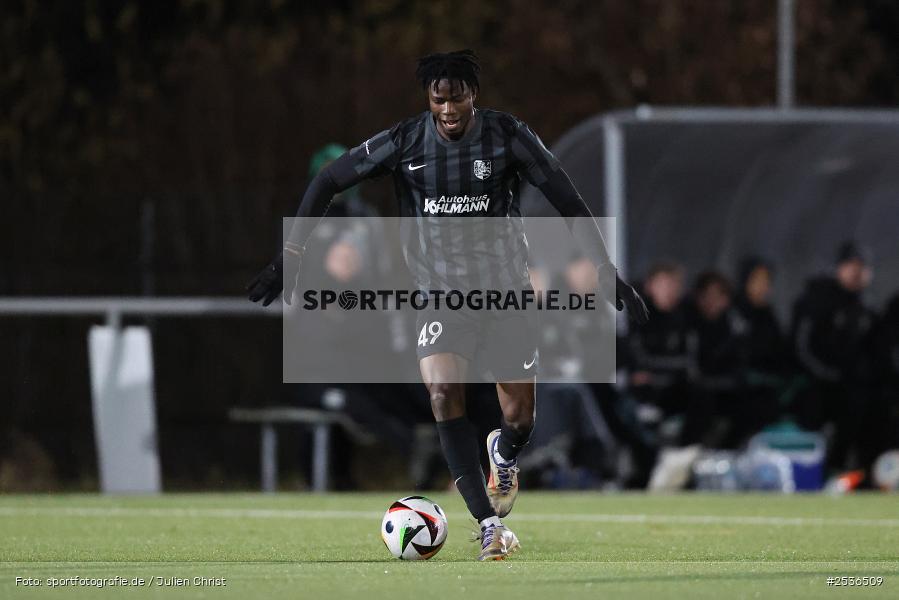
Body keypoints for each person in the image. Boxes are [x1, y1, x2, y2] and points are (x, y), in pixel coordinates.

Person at [246, 50, 648, 560]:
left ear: (472, 95)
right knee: (442, 394)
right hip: (440, 295)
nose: (449, 107)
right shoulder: (405, 140)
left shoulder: (508, 136)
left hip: (504, 294)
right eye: (439, 98)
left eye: (457, 96)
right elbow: (328, 180)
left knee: (520, 419)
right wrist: (292, 258)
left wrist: (604, 272)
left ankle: (502, 452)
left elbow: (569, 202)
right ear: (429, 100)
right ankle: (487, 524)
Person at [790, 241, 876, 472]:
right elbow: (801, 347)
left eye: (862, 267)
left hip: (849, 387)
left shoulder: (866, 308)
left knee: (866, 407)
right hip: (814, 383)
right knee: (813, 411)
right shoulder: (817, 299)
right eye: (852, 265)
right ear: (839, 267)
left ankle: (844, 471)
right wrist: (826, 374)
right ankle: (807, 472)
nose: (857, 272)